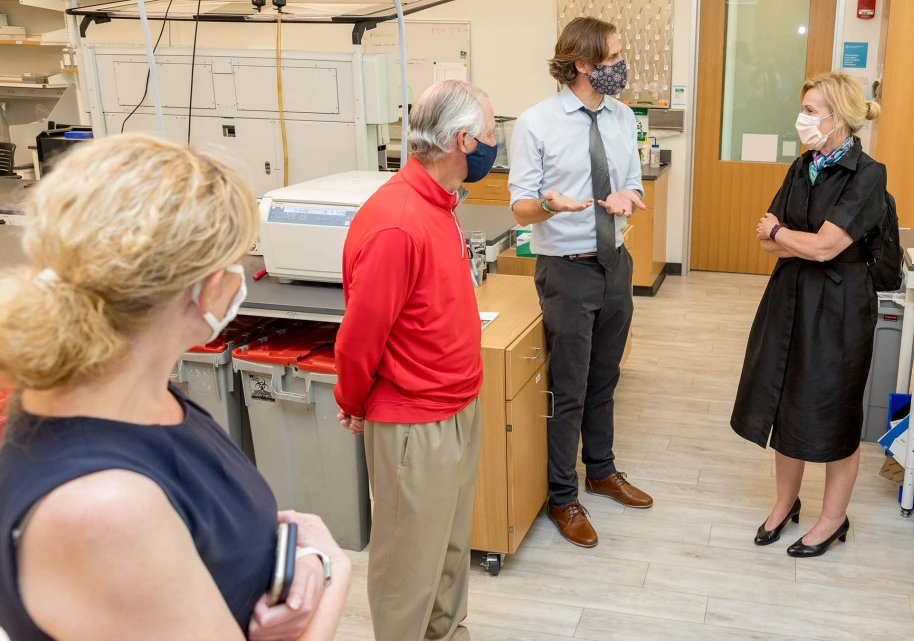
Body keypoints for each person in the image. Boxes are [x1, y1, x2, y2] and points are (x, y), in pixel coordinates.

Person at [0, 134, 351, 641]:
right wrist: (338, 572)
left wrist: (307, 558)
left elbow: (210, 526)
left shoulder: (148, 400)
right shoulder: (102, 508)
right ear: (207, 287)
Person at [333, 79, 496, 641]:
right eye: (492, 135)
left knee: (449, 553)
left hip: (456, 408)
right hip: (413, 421)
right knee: (408, 568)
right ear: (463, 140)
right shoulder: (397, 222)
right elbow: (359, 337)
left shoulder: (440, 205)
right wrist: (352, 401)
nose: (497, 145)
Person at [508, 16, 653, 549]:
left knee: (605, 378)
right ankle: (562, 496)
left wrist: (627, 197)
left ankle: (601, 470)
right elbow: (520, 207)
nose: (621, 66)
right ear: (583, 65)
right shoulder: (536, 123)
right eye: (613, 59)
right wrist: (549, 204)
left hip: (616, 262)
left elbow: (632, 179)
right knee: (568, 388)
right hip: (566, 269)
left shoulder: (619, 117)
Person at [732, 71, 885, 557]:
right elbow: (764, 241)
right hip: (790, 297)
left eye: (812, 110)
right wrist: (784, 238)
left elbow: (823, 246)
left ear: (838, 118)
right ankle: (785, 504)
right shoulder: (803, 167)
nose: (803, 119)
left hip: (840, 306)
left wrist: (784, 235)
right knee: (786, 400)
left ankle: (832, 520)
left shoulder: (867, 174)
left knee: (834, 410)